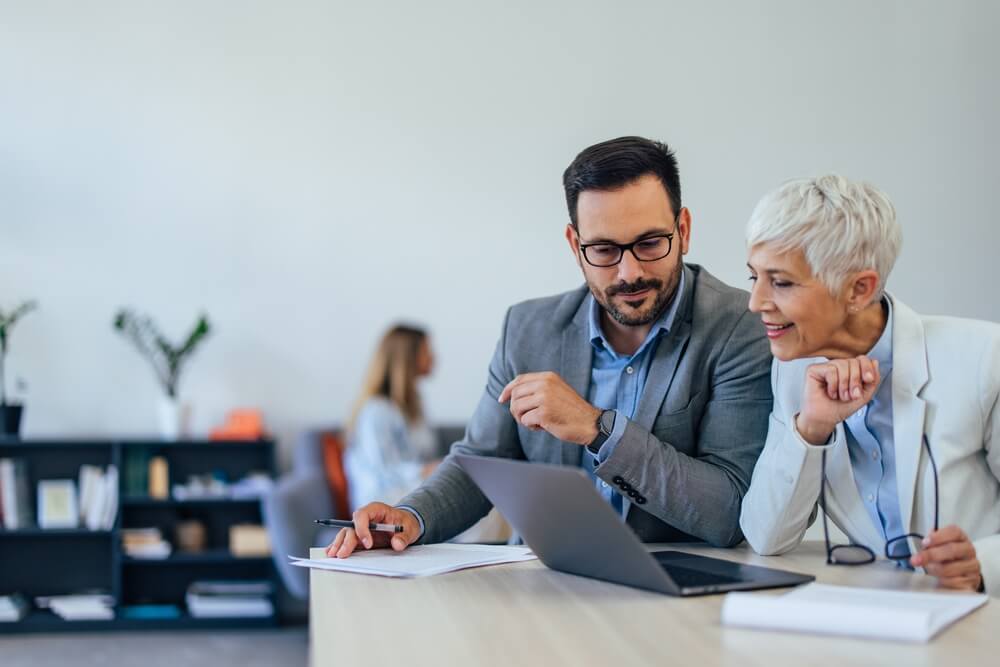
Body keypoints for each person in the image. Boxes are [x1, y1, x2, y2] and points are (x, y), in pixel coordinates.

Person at [328, 136, 772, 558]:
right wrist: (411, 516)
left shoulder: (739, 326)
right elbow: (481, 462)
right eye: (603, 249)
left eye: (650, 243)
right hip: (543, 586)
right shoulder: (527, 329)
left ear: (684, 229)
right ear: (574, 246)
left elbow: (729, 512)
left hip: (673, 601)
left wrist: (598, 428)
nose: (628, 272)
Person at [739, 174, 999, 595]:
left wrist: (982, 564)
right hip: (880, 622)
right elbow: (766, 538)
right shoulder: (792, 371)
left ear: (860, 289)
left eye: (781, 282)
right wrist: (811, 429)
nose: (755, 303)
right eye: (755, 277)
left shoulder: (984, 357)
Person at [343, 324, 439, 509]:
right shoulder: (377, 411)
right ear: (407, 358)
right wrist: (425, 470)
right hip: (382, 499)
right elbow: (383, 470)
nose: (433, 357)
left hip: (412, 488)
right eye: (426, 351)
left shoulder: (414, 405)